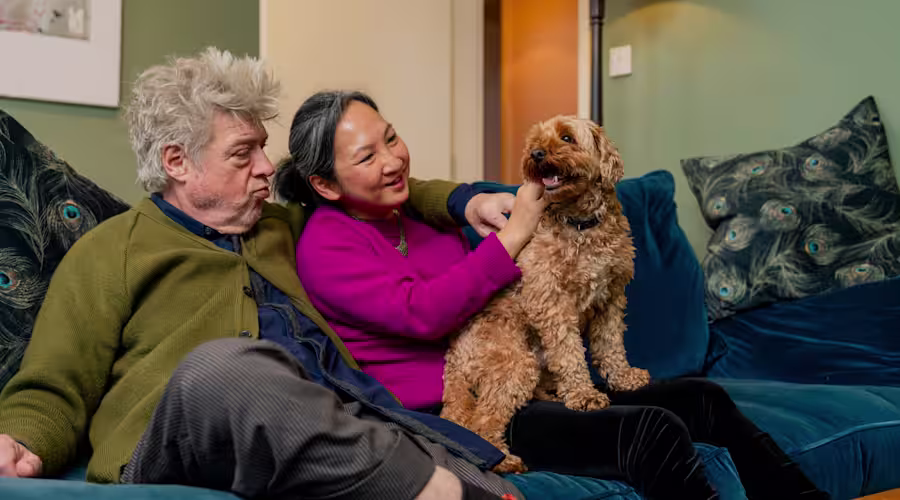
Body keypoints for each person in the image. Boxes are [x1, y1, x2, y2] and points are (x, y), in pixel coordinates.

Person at [0, 47, 606, 500]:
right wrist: (22, 442)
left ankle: (450, 479)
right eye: (244, 153)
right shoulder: (111, 251)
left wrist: (462, 201)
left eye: (264, 147)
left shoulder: (284, 228)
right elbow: (54, 384)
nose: (268, 168)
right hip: (179, 433)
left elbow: (369, 187)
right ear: (177, 162)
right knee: (227, 364)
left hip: (330, 419)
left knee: (428, 438)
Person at [277, 90, 831, 500]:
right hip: (453, 412)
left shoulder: (422, 216)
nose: (394, 160)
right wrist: (516, 233)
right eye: (367, 157)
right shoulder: (326, 247)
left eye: (391, 137)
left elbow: (478, 256)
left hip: (533, 375)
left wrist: (469, 202)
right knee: (649, 432)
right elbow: (424, 315)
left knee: (702, 398)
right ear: (325, 184)